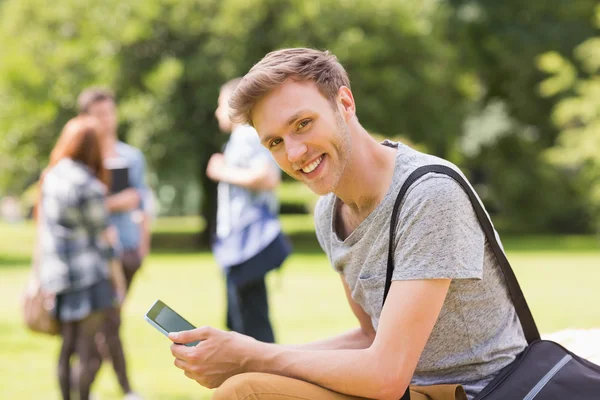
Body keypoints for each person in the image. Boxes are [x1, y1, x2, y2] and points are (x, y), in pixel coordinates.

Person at [167, 48, 529, 400]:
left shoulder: (429, 195)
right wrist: (249, 358)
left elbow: (386, 376)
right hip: (409, 389)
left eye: (303, 124)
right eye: (275, 142)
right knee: (250, 380)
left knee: (245, 392)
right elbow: (369, 336)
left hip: (477, 392)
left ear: (345, 103)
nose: (294, 154)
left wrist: (253, 357)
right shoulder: (329, 212)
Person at [35, 116, 127, 400]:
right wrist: (119, 279)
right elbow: (105, 237)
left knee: (67, 348)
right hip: (89, 276)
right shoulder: (88, 184)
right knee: (89, 351)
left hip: (59, 276)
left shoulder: (50, 177)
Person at [77, 87, 149, 400]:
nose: (107, 121)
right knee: (108, 323)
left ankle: (88, 388)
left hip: (127, 251)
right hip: (93, 255)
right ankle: (122, 389)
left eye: (110, 112)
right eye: (99, 115)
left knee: (108, 322)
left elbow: (141, 202)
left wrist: (143, 249)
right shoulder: (80, 160)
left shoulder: (131, 156)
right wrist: (114, 202)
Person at [207, 77, 289, 343]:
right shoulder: (240, 139)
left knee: (249, 320)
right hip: (241, 240)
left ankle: (265, 380)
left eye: (220, 105)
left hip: (246, 241)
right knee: (240, 316)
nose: (217, 112)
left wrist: (222, 171)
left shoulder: (245, 136)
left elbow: (267, 178)